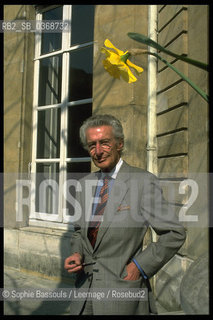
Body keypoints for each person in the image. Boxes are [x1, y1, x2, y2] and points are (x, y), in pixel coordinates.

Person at [64, 114, 186, 315]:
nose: (98, 151)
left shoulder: (143, 182)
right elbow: (79, 231)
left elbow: (174, 233)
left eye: (104, 143)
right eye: (92, 145)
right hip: (83, 293)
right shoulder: (84, 184)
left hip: (122, 294)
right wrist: (77, 252)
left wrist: (139, 266)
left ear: (119, 143)